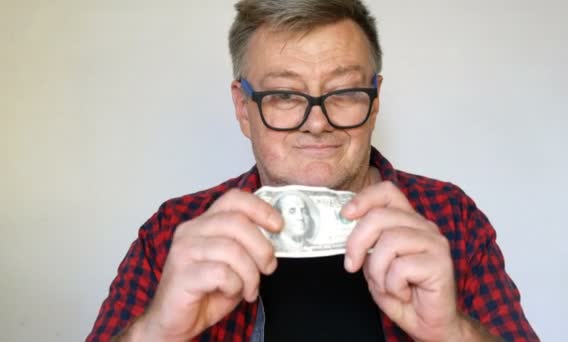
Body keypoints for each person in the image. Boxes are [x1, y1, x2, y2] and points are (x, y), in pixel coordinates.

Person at [87, 1, 539, 341]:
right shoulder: (173, 232)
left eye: (343, 91)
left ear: (375, 101)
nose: (317, 122)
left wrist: (451, 333)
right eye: (284, 95)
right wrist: (157, 333)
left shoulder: (450, 217)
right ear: (243, 109)